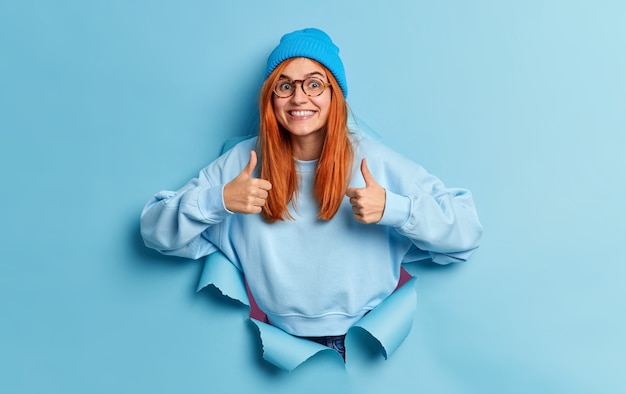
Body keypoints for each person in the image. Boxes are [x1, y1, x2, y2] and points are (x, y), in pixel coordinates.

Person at [140, 28, 482, 360]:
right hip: (269, 345)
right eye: (285, 85)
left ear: (335, 94)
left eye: (314, 84)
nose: (299, 97)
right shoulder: (243, 163)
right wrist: (219, 201)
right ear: (270, 97)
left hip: (369, 341)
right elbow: (154, 232)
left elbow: (467, 231)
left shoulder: (374, 161)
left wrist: (396, 209)